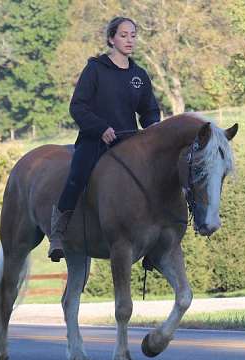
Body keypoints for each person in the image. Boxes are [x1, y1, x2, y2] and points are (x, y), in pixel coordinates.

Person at [48, 16, 161, 262]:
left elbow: (149, 111)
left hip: (129, 143)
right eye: (123, 35)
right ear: (111, 39)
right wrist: (100, 128)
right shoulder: (95, 70)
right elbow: (77, 107)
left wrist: (153, 128)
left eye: (133, 35)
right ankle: (58, 231)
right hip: (94, 141)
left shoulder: (139, 75)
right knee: (77, 175)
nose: (129, 40)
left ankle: (156, 238)